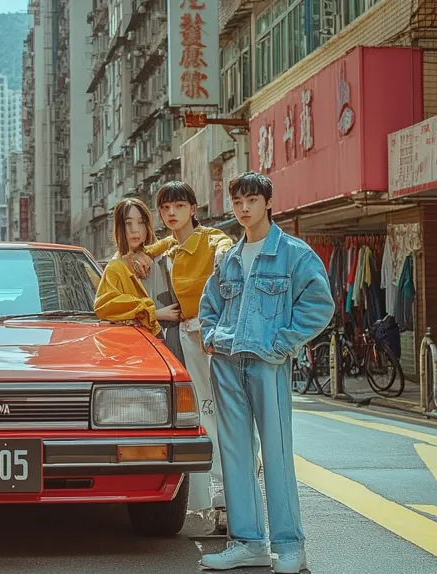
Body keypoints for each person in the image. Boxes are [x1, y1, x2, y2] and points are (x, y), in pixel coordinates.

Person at [198, 172, 333, 572]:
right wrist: (211, 336)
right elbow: (209, 304)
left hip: (267, 363)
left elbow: (319, 305)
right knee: (235, 454)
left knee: (276, 454)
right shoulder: (229, 258)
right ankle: (248, 542)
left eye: (251, 200)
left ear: (268, 202)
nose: (243, 209)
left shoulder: (293, 254)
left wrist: (281, 343)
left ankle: (290, 546)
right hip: (226, 363)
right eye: (237, 202)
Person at [125, 181, 235, 528]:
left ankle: (230, 497)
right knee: (201, 415)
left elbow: (223, 245)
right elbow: (150, 249)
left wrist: (223, 255)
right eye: (165, 208)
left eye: (179, 206)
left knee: (221, 413)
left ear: (193, 209)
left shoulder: (210, 239)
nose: (171, 213)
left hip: (212, 337)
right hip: (187, 338)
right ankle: (218, 499)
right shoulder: (171, 246)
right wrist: (140, 256)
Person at [95, 198, 183, 348]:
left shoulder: (158, 256)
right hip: (136, 347)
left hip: (174, 339)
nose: (135, 229)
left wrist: (148, 252)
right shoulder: (115, 268)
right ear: (119, 227)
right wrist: (154, 313)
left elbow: (177, 239)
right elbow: (104, 307)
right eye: (128, 223)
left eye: (141, 222)